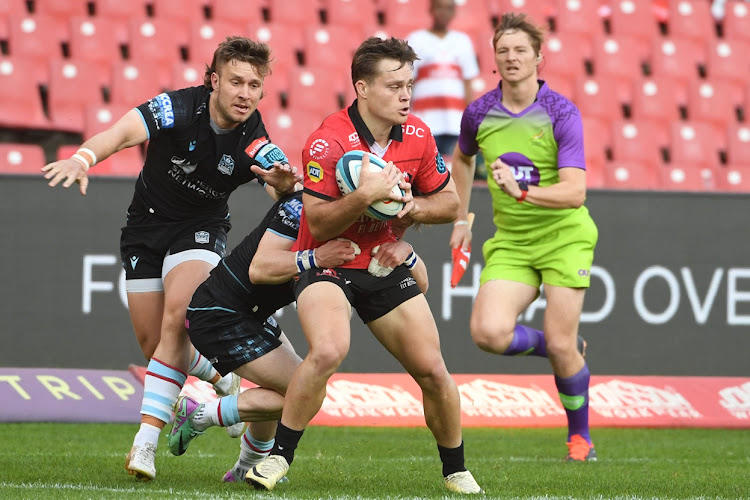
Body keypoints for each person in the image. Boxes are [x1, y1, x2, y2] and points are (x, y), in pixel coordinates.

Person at [41, 36, 301, 480]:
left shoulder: (255, 138)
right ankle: (222, 377)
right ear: (214, 80)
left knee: (177, 318)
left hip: (200, 231)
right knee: (154, 344)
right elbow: (122, 133)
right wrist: (84, 158)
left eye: (255, 85)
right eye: (236, 82)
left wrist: (282, 182)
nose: (245, 93)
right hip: (144, 230)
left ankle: (144, 446)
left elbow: (284, 189)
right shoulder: (177, 108)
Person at [245, 37, 483, 495]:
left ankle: (456, 469)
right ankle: (278, 460)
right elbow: (317, 218)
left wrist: (408, 213)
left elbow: (450, 202)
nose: (406, 96)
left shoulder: (417, 135)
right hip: (329, 261)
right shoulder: (327, 140)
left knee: (433, 369)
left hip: (380, 263)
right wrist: (366, 196)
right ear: (362, 88)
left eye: (409, 85)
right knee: (330, 350)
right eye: (394, 86)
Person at [162, 190, 428, 483]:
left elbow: (420, 287)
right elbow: (259, 268)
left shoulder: (363, 233)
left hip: (252, 314)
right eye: (392, 219)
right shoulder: (302, 208)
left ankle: (245, 468)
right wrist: (316, 257)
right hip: (218, 313)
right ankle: (201, 414)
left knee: (298, 385)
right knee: (305, 391)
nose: (392, 229)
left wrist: (408, 252)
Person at [449, 13, 598, 462]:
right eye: (503, 51)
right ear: (494, 59)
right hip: (512, 240)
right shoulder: (479, 112)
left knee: (560, 342)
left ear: (539, 58)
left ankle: (580, 438)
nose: (511, 58)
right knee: (488, 333)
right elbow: (462, 160)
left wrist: (522, 191)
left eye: (520, 50)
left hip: (564, 238)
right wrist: (461, 217)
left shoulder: (560, 112)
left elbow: (575, 192)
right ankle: (564, 345)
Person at [407, 0, 479, 157]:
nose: (443, 12)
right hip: (424, 123)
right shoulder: (416, 39)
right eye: (439, 7)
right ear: (431, 9)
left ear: (454, 12)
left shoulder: (463, 41)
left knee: (453, 175)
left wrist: (470, 122)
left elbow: (467, 84)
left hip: (455, 124)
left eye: (449, 8)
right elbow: (408, 81)